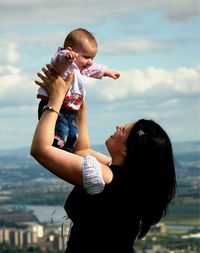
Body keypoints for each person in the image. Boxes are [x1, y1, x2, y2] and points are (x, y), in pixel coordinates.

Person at [31, 64, 176, 253]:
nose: (118, 126)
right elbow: (82, 150)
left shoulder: (104, 175)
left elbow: (40, 150)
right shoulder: (125, 178)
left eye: (123, 129)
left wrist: (56, 100)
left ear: (126, 150)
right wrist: (79, 104)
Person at [37, 28, 120, 152]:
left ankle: (68, 152)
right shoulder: (65, 63)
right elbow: (59, 60)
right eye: (86, 57)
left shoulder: (80, 68)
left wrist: (107, 72)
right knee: (61, 131)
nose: (90, 61)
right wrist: (67, 56)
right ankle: (53, 150)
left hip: (68, 109)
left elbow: (93, 69)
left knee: (73, 134)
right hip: (53, 105)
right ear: (70, 50)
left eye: (92, 58)